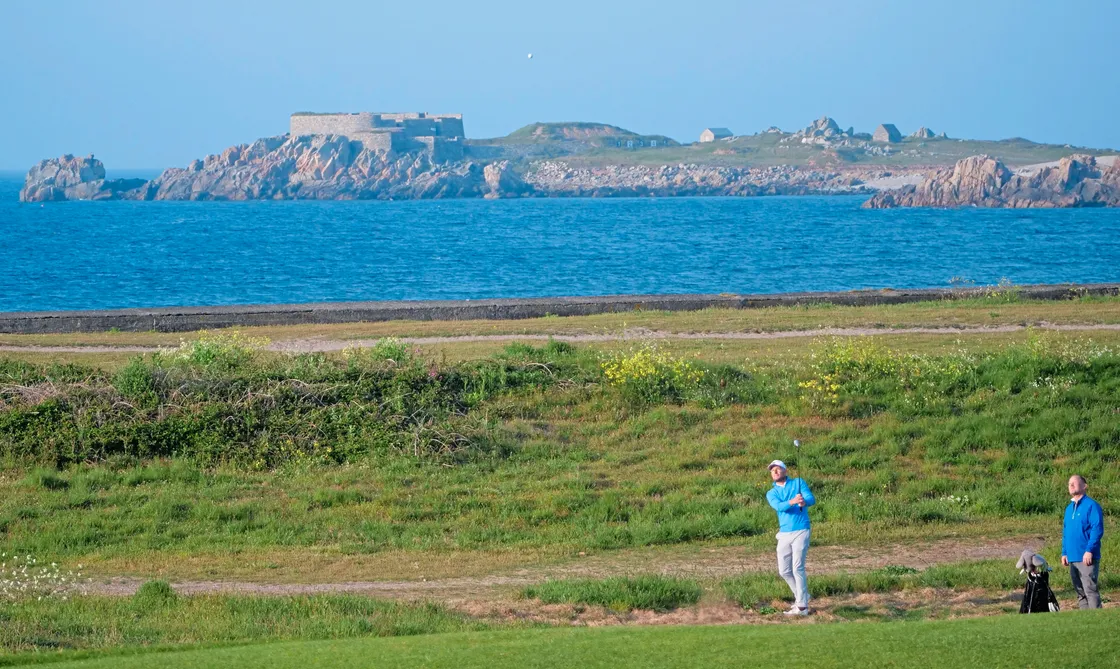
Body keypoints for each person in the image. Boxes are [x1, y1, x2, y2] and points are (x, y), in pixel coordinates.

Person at [766, 459, 816, 616]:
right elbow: (779, 506)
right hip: (784, 533)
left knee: (797, 567)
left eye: (778, 469)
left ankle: (802, 607)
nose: (775, 472)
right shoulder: (771, 492)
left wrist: (803, 502)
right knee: (784, 570)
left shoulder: (798, 482)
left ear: (785, 471)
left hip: (801, 529)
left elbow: (811, 499)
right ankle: (803, 596)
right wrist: (793, 501)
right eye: (772, 470)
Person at [1061, 474, 1104, 609]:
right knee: (1080, 592)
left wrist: (1089, 550)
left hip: (1086, 557)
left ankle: (1097, 619)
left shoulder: (1091, 505)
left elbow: (1097, 529)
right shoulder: (1069, 509)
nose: (1071, 485)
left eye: (1075, 482)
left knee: (1090, 590)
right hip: (1072, 557)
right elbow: (1066, 532)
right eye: (1069, 483)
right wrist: (1064, 552)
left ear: (1084, 486)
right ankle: (1086, 620)